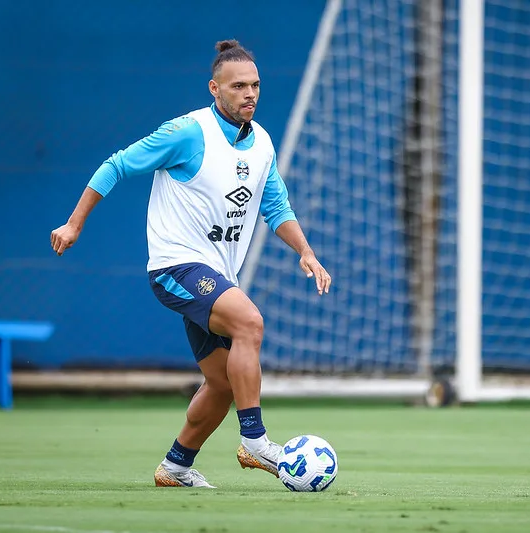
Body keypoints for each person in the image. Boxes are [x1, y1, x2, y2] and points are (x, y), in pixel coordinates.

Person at [50, 39, 332, 488]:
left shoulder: (261, 144)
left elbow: (276, 205)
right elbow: (117, 165)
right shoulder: (187, 132)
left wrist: (306, 251)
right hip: (175, 267)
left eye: (255, 85)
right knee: (250, 323)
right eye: (238, 86)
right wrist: (73, 224)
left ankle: (176, 466)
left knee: (222, 384)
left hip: (217, 276)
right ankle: (255, 441)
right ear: (214, 89)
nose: (250, 94)